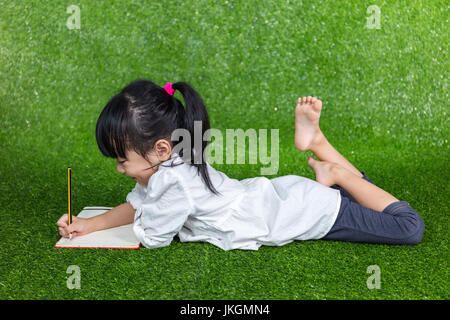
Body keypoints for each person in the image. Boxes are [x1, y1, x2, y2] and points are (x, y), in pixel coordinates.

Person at [56, 80, 424, 250]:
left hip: (310, 212)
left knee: (408, 227)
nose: (120, 169)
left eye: (122, 160)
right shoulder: (170, 164)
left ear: (162, 147)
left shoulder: (173, 182)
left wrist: (134, 224)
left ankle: (336, 169)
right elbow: (139, 203)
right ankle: (321, 150)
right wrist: (90, 224)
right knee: (363, 194)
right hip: (287, 197)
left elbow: (153, 237)